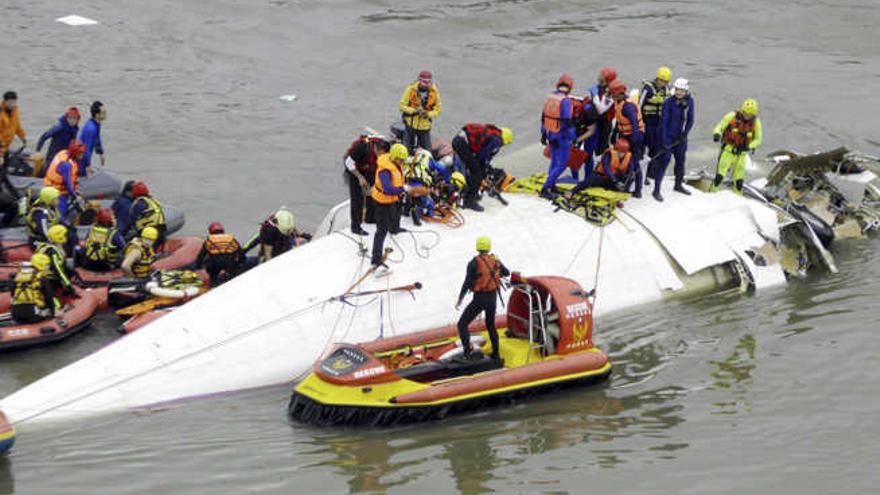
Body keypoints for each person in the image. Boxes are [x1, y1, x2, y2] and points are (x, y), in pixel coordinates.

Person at [455, 236, 510, 362]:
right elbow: (506, 273)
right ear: (488, 247)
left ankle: (467, 353)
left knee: (462, 324)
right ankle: (496, 354)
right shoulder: (495, 260)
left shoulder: (473, 263)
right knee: (491, 325)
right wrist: (498, 263)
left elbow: (467, 282)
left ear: (478, 247)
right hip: (492, 298)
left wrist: (460, 299)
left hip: (480, 298)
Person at [452, 123, 513, 211]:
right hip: (462, 144)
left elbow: (482, 155)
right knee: (477, 172)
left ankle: (470, 192)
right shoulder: (496, 140)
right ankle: (469, 201)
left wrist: (484, 167)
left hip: (459, 140)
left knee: (475, 169)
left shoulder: (493, 133)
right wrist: (484, 170)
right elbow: (482, 156)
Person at [652, 78, 695, 200]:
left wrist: (685, 134)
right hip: (667, 138)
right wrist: (665, 141)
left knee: (680, 163)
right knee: (664, 162)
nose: (679, 92)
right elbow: (664, 123)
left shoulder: (690, 101)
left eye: (681, 90)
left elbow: (691, 120)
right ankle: (656, 190)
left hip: (680, 139)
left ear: (686, 91)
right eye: (677, 90)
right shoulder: (668, 103)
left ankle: (678, 185)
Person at [370, 143, 410, 270]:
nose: (402, 162)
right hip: (382, 201)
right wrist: (402, 189)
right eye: (401, 160)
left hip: (393, 199)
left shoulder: (395, 162)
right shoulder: (385, 170)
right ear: (394, 157)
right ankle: (376, 258)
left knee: (395, 215)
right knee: (381, 230)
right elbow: (387, 189)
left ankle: (394, 228)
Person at [711, 98, 763, 194]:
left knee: (739, 181)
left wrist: (749, 146)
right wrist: (717, 134)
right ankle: (712, 193)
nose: (747, 116)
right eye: (745, 113)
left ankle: (738, 198)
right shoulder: (731, 116)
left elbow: (758, 139)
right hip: (728, 151)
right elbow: (720, 126)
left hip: (741, 154)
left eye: (749, 115)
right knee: (719, 176)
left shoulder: (756, 123)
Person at [344, 135, 390, 235]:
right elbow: (348, 163)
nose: (381, 157)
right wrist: (360, 177)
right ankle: (355, 226)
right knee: (357, 197)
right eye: (380, 155)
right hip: (354, 168)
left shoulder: (383, 150)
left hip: (370, 167)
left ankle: (370, 218)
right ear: (376, 149)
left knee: (372, 192)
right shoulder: (361, 148)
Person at [540, 74, 576, 198]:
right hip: (562, 135)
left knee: (554, 161)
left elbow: (543, 117)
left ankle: (552, 185)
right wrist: (573, 138)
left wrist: (543, 134)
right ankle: (545, 188)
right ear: (570, 88)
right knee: (562, 164)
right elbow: (567, 121)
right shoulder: (565, 101)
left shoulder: (550, 98)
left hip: (550, 134)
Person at [609, 79, 645, 197]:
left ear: (620, 93)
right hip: (625, 134)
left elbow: (634, 124)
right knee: (625, 161)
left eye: (613, 94)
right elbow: (620, 121)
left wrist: (634, 142)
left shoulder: (628, 107)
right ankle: (625, 184)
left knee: (634, 163)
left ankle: (638, 190)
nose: (612, 97)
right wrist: (615, 133)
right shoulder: (618, 103)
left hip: (635, 136)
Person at [566, 139, 634, 197]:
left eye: (623, 152)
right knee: (589, 181)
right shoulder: (609, 155)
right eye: (619, 152)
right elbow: (606, 168)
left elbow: (631, 169)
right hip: (602, 176)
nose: (621, 154)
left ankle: (618, 197)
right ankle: (572, 191)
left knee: (628, 178)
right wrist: (614, 180)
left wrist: (626, 179)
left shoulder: (628, 157)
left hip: (614, 179)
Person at [641, 66, 672, 185]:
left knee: (655, 149)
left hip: (658, 124)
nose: (662, 84)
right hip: (646, 122)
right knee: (642, 149)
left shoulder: (667, 91)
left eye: (665, 82)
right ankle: (641, 174)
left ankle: (650, 173)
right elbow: (640, 105)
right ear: (657, 78)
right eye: (661, 81)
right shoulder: (648, 88)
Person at [398, 71, 442, 152]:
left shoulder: (434, 92)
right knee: (406, 150)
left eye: (429, 82)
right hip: (410, 124)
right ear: (419, 80)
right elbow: (401, 106)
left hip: (425, 127)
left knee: (427, 151)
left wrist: (428, 114)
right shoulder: (411, 89)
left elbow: (438, 110)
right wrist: (414, 111)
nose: (427, 84)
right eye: (424, 82)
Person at [43, 139, 86, 219]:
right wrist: (75, 196)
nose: (82, 155)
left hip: (52, 187)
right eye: (80, 153)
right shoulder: (66, 165)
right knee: (60, 215)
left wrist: (76, 190)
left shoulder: (63, 153)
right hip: (57, 192)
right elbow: (68, 184)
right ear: (75, 153)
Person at [11, 253, 59, 323]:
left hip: (16, 313)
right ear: (42, 265)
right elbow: (49, 297)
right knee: (48, 313)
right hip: (33, 313)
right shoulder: (42, 279)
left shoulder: (18, 277)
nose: (48, 267)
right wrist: (54, 311)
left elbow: (12, 294)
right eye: (47, 265)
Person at [196, 222, 245, 286]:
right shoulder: (231, 238)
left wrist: (198, 266)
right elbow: (240, 252)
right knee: (233, 275)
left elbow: (201, 255)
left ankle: (214, 284)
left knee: (213, 275)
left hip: (215, 263)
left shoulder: (210, 240)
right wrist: (241, 262)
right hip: (230, 262)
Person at [35, 224, 75, 291]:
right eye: (64, 235)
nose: (66, 236)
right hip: (50, 280)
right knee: (69, 267)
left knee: (69, 267)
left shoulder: (47, 246)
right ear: (59, 237)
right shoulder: (53, 252)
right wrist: (68, 285)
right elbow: (58, 270)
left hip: (44, 277)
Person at [587, 68, 618, 155]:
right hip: (593, 121)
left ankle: (602, 165)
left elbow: (601, 109)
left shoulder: (611, 92)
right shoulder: (596, 88)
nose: (599, 76)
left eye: (602, 75)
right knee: (591, 146)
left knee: (602, 147)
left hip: (604, 123)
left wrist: (595, 95)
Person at [78, 100, 106, 176]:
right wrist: (88, 166)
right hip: (80, 160)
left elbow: (97, 139)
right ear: (97, 115)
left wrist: (101, 153)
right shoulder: (90, 129)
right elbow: (86, 149)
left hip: (85, 158)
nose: (105, 115)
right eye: (103, 113)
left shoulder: (96, 124)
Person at [0, 91, 26, 161]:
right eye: (10, 102)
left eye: (14, 102)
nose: (12, 104)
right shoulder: (1, 113)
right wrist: (1, 144)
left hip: (6, 145)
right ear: (4, 101)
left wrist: (23, 137)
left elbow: (17, 126)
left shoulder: (15, 111)